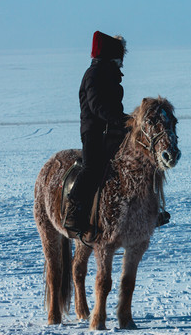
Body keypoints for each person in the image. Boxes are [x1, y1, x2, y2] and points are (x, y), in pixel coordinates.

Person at [64, 31, 128, 235]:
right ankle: (73, 208)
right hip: (94, 131)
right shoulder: (93, 75)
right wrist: (119, 119)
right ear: (111, 55)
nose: (122, 62)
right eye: (120, 57)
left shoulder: (108, 74)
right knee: (92, 168)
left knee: (135, 162)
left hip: (114, 130)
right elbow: (96, 105)